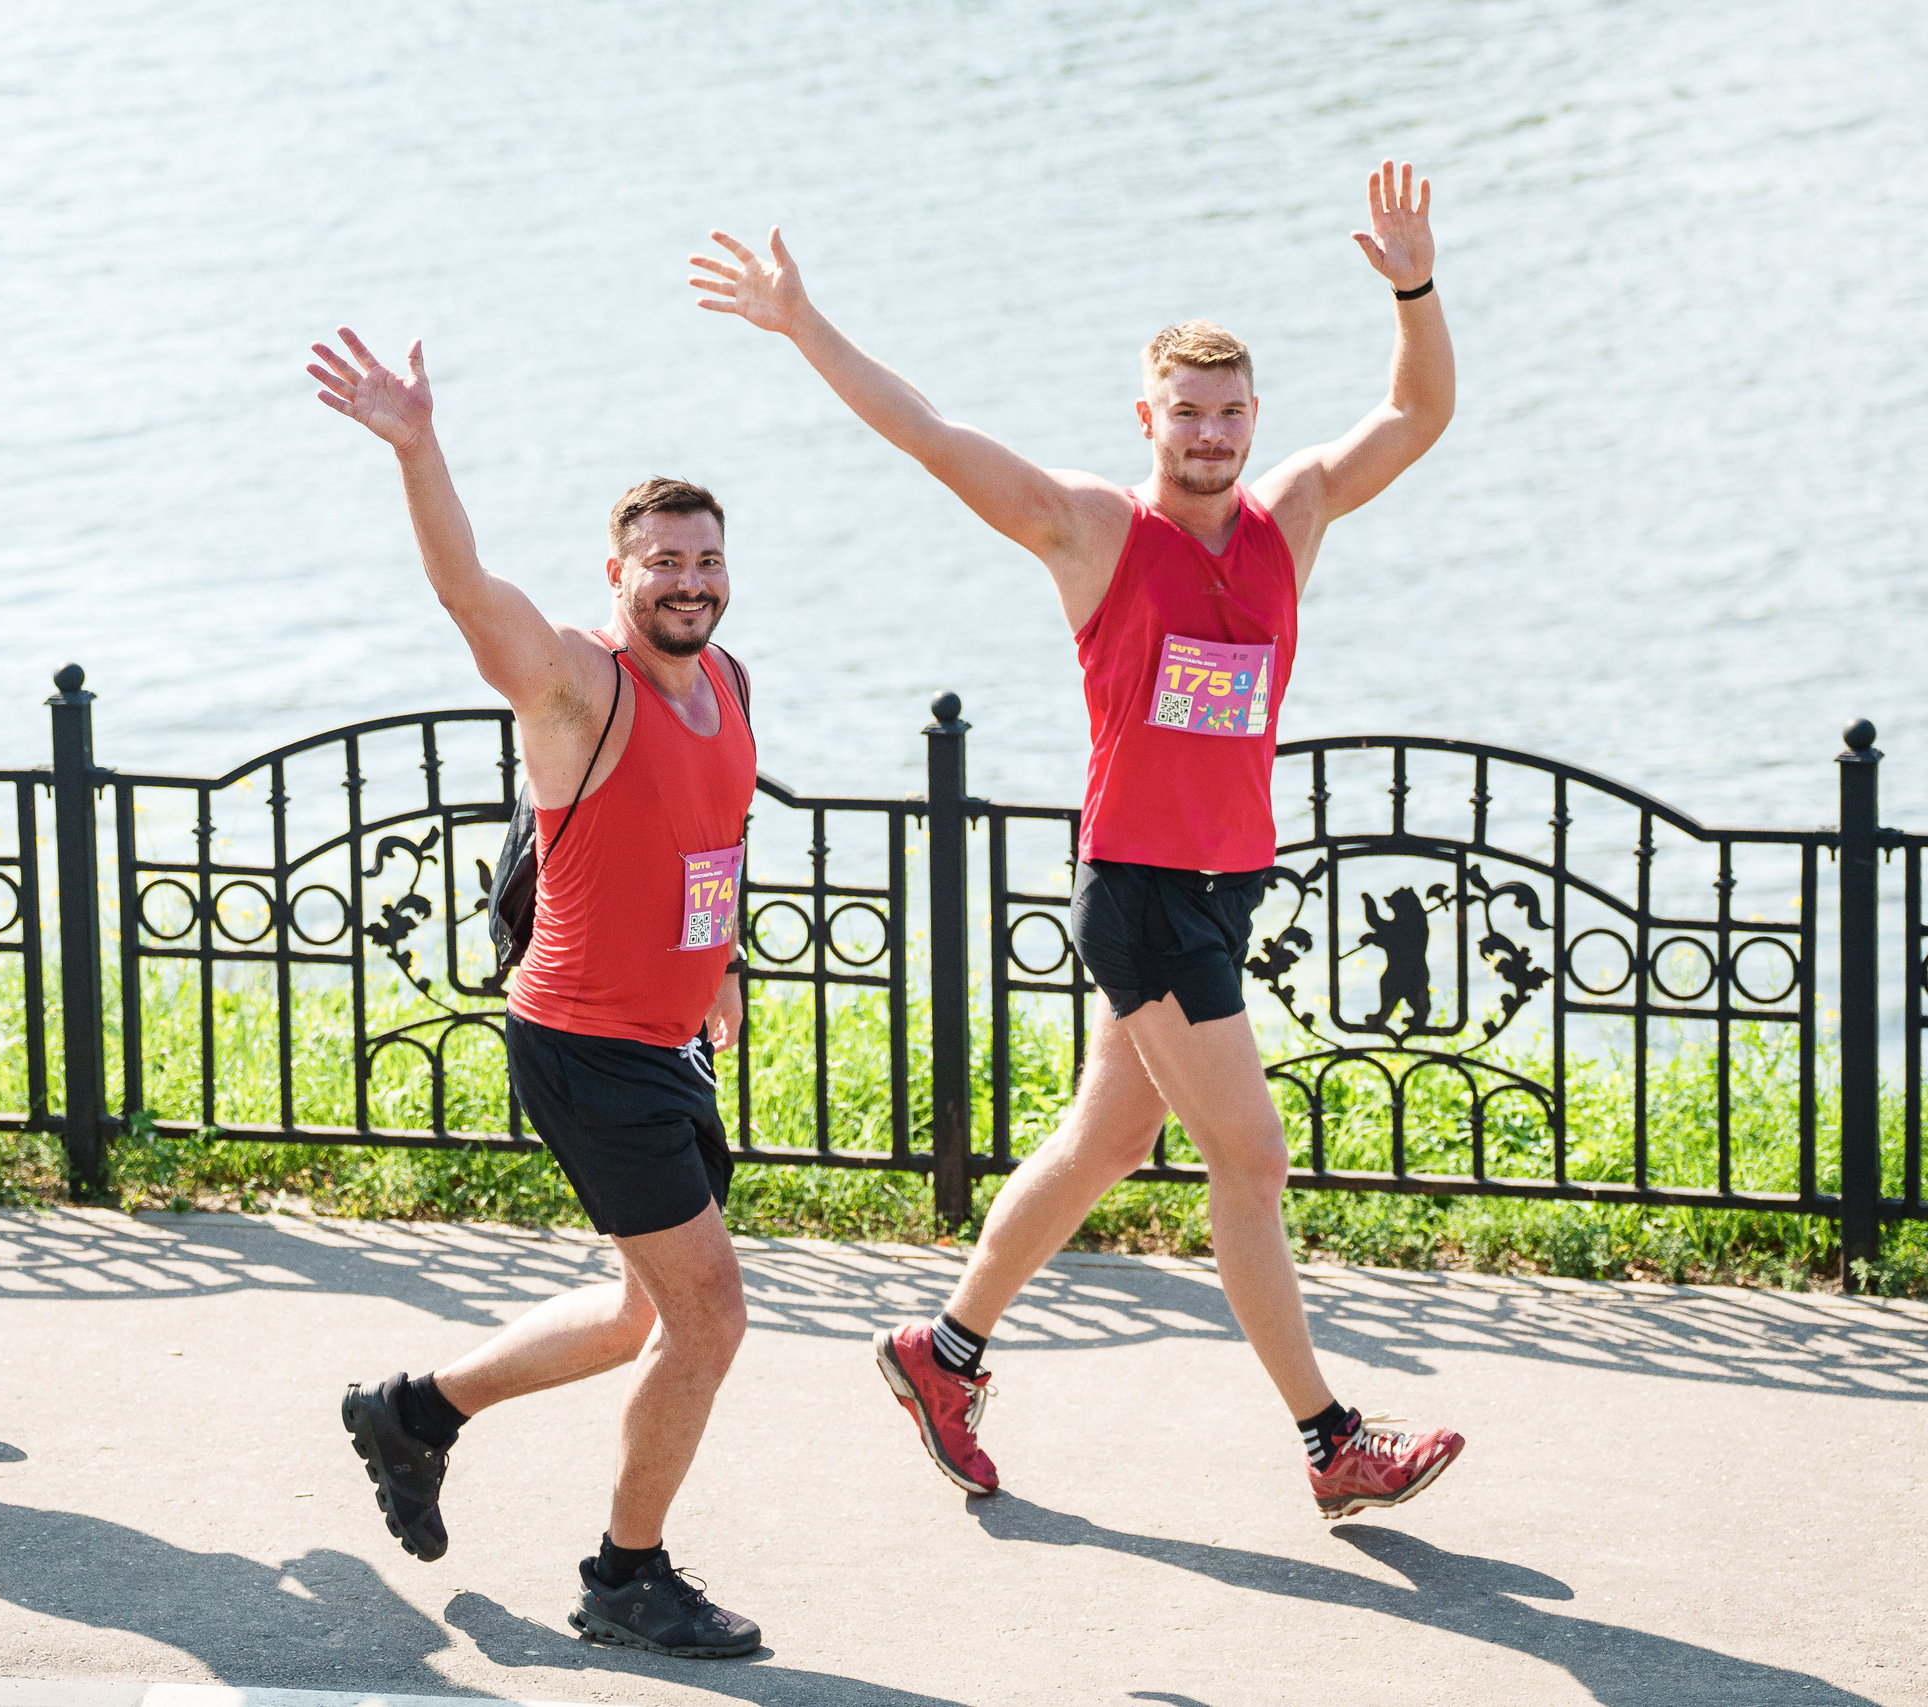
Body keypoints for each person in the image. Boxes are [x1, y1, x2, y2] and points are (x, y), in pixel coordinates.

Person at [692, 162, 1465, 1520]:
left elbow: (1419, 409)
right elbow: (933, 434)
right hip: (1144, 892)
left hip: (1222, 890)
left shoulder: (1291, 518)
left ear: (1251, 417)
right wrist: (804, 324)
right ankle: (1332, 1439)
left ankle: (945, 1351)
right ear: (1149, 418)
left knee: (1108, 1140)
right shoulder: (1097, 530)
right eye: (1188, 415)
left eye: (1230, 414)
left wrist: (1413, 286)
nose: (1211, 435)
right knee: (1253, 1157)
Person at [308, 328, 763, 1657]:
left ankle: (416, 1410)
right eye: (662, 562)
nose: (688, 581)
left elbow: (706, 840)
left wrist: (719, 956)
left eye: (707, 559)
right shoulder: (574, 683)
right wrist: (417, 444)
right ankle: (627, 1575)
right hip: (582, 1042)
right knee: (708, 1312)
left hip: (662, 1038)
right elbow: (466, 590)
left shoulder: (727, 682)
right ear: (617, 576)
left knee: (642, 1311)